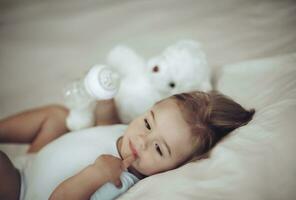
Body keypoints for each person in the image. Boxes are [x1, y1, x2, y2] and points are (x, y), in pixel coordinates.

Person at [0, 90, 255, 200]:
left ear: (176, 167)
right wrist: (106, 106)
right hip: (32, 162)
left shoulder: (118, 180)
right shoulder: (131, 133)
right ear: (148, 111)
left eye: (159, 149)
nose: (142, 142)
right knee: (57, 116)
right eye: (147, 123)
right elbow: (106, 129)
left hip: (23, 190)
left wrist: (95, 174)